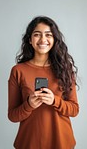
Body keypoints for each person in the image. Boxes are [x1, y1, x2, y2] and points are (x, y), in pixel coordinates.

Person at [8, 16, 79, 149]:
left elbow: (74, 110)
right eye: (37, 35)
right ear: (30, 40)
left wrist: (54, 101)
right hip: (28, 143)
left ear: (54, 39)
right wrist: (28, 105)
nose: (43, 40)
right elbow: (12, 115)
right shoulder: (18, 71)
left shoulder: (65, 69)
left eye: (48, 35)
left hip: (61, 142)